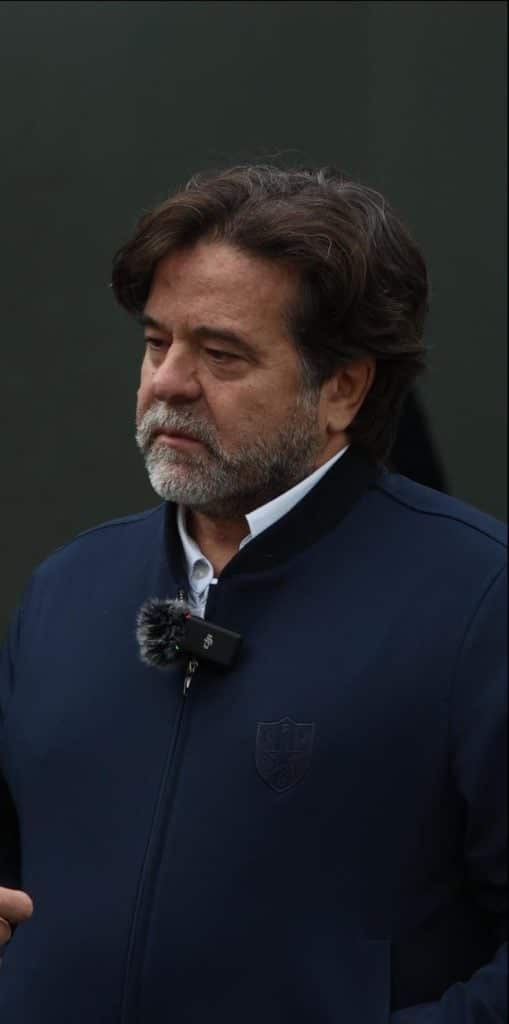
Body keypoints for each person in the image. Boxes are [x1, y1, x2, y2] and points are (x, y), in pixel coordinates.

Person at [0, 165, 506, 1023]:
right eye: (156, 343)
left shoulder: (478, 598)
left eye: (220, 354)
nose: (167, 382)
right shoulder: (67, 589)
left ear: (343, 387)